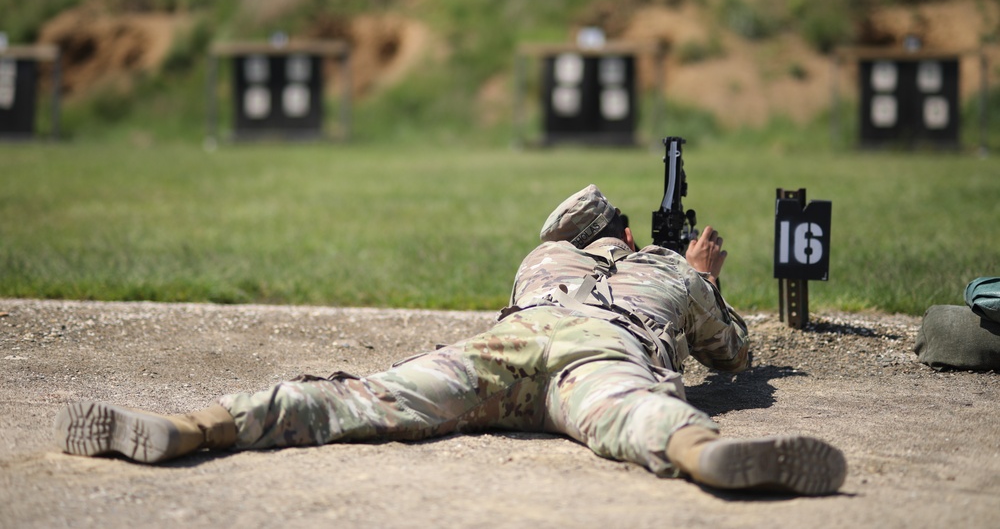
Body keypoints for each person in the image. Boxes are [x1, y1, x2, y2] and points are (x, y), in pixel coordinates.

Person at [54, 184, 847, 495]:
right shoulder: (666, 277)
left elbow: (577, 250)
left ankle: (197, 424)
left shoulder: (538, 262)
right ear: (630, 236)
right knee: (634, 413)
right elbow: (733, 352)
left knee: (357, 399)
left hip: (506, 351)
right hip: (601, 351)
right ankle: (702, 455)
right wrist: (702, 273)